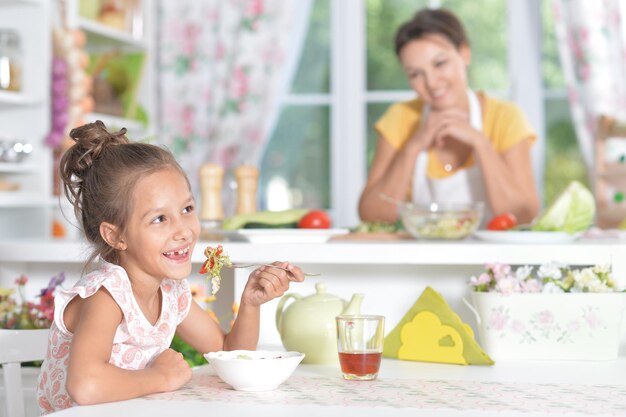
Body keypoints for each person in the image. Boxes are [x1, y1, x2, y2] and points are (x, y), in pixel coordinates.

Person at [36, 121, 305, 414]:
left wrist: (251, 303)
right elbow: (85, 386)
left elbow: (228, 354)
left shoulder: (171, 293)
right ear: (116, 236)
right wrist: (161, 377)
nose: (184, 231)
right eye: (159, 219)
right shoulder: (106, 296)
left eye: (187, 209)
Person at [359, 8, 540, 225]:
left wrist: (480, 143)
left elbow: (523, 215)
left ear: (464, 53)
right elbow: (371, 216)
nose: (432, 82)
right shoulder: (401, 118)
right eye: (416, 74)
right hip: (421, 256)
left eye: (440, 63)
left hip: (492, 258)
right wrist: (413, 146)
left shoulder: (506, 117)